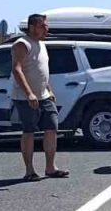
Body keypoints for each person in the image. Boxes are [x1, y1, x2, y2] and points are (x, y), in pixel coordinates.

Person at [11, 13, 69, 181]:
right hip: (25, 97)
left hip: (44, 96)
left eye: (46, 26)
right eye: (43, 26)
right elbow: (17, 69)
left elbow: (40, 71)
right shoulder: (22, 44)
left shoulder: (41, 44)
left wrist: (49, 90)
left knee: (52, 127)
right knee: (29, 131)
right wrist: (29, 93)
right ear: (32, 27)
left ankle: (50, 168)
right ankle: (29, 171)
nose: (46, 29)